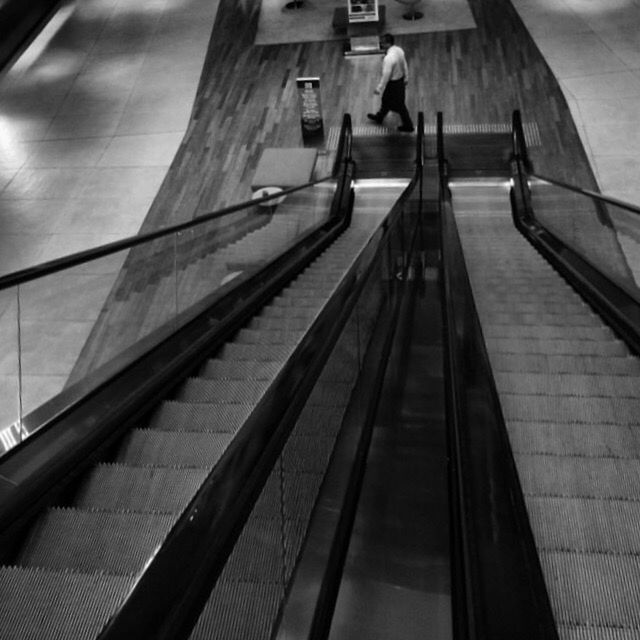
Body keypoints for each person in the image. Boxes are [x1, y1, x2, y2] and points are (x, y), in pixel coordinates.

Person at [367, 33, 414, 132]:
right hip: (400, 81)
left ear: (388, 44)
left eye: (383, 43)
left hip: (393, 84)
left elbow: (386, 75)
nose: (381, 45)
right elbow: (404, 63)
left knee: (400, 105)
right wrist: (406, 77)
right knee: (386, 100)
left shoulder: (388, 58)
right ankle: (379, 117)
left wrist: (379, 88)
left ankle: (408, 125)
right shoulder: (399, 50)